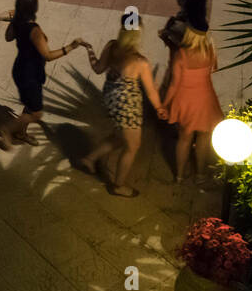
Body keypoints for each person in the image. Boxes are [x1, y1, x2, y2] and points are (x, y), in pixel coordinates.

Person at [77, 12, 164, 197]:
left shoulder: (111, 46)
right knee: (132, 146)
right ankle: (118, 186)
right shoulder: (140, 62)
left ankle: (90, 159)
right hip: (127, 105)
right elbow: (151, 92)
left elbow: (97, 68)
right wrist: (160, 109)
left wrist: (89, 49)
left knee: (119, 135)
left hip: (110, 98)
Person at [0, 0, 89, 150]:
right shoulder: (34, 30)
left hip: (21, 68)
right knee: (36, 114)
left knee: (30, 105)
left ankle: (21, 133)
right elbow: (48, 56)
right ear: (34, 7)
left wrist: (13, 19)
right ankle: (8, 129)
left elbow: (8, 37)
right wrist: (71, 47)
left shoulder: (18, 22)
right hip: (30, 73)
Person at [161, 12, 223, 184]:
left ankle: (180, 175)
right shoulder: (210, 49)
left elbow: (174, 84)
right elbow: (213, 69)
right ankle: (201, 175)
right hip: (204, 98)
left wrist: (165, 104)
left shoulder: (182, 54)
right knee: (204, 137)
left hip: (185, 100)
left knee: (184, 138)